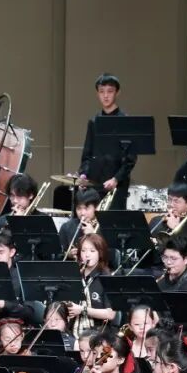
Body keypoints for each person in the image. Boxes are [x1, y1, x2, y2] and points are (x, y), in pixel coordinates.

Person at [78, 73, 133, 209]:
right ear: (97, 93)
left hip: (117, 185)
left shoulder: (125, 121)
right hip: (95, 184)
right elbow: (87, 154)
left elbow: (130, 159)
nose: (105, 96)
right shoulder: (94, 121)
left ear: (117, 93)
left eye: (110, 91)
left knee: (113, 220)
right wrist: (83, 175)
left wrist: (116, 179)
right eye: (101, 91)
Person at [147, 181, 187, 268]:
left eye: (176, 201)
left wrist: (175, 228)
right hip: (155, 269)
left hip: (184, 271)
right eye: (169, 199)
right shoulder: (156, 221)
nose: (171, 204)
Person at [68, 234, 116, 337]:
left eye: (92, 251)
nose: (87, 255)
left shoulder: (107, 278)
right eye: (83, 251)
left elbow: (111, 314)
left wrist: (82, 310)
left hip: (98, 333)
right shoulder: (75, 274)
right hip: (73, 330)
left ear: (100, 253)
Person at [58, 187, 100, 257]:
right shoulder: (66, 227)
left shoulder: (104, 227)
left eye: (86, 208)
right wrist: (68, 254)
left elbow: (109, 255)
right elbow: (58, 254)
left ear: (96, 208)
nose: (82, 213)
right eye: (79, 208)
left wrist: (93, 235)